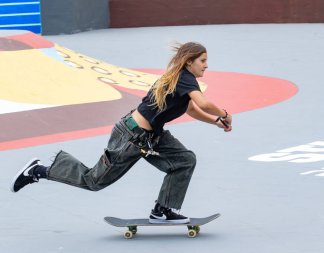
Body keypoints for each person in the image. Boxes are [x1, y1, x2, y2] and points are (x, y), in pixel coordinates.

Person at [10, 42, 232, 224]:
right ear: (189, 62)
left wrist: (215, 122)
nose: (206, 66)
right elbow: (203, 102)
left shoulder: (180, 80)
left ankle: (162, 210)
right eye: (203, 61)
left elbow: (193, 109)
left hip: (152, 136)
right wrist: (224, 113)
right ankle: (38, 170)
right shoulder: (184, 77)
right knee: (94, 181)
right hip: (131, 137)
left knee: (184, 160)